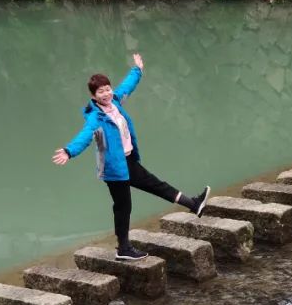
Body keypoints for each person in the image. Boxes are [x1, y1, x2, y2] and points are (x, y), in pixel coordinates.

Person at [52, 53, 209, 260]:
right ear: (93, 96)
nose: (106, 94)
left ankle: (194, 204)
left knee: (157, 185)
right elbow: (85, 136)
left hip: (128, 161)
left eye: (108, 89)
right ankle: (123, 249)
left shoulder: (115, 102)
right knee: (123, 206)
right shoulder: (95, 118)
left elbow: (127, 86)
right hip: (114, 169)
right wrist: (69, 151)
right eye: (101, 92)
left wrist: (138, 70)